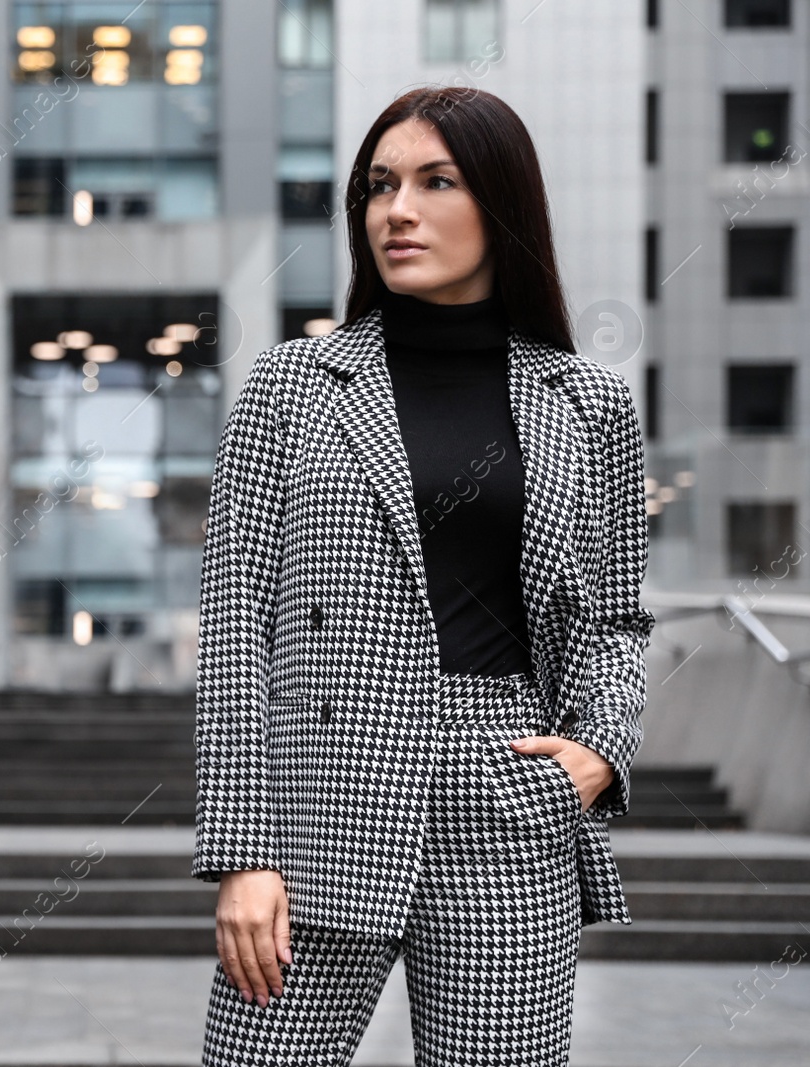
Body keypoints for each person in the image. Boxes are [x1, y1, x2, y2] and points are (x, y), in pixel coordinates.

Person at [192, 86, 655, 1065]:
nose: (395, 210)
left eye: (434, 182)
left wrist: (599, 747)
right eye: (378, 186)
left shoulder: (590, 406)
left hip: (507, 791)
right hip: (323, 791)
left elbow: (615, 616)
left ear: (502, 203)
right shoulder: (289, 387)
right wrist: (242, 851)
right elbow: (235, 623)